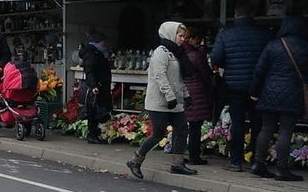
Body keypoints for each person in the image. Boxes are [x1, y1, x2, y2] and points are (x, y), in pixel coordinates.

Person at [127, 22, 197, 180]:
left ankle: (177, 164)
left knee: (182, 130)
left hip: (175, 102)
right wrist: (170, 96)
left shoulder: (177, 53)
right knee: (158, 134)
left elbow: (178, 78)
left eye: (184, 36)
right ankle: (135, 161)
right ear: (171, 34)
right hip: (159, 102)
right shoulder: (161, 52)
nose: (182, 39)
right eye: (180, 36)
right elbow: (160, 76)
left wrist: (185, 94)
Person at [210, 1, 273, 171]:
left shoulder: (226, 34)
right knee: (257, 124)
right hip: (258, 87)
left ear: (236, 15)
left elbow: (215, 58)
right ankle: (256, 160)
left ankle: (235, 161)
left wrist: (229, 64)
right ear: (253, 15)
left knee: (237, 123)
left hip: (234, 85)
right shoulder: (264, 33)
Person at [248, 15, 308, 181]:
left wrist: (254, 92)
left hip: (269, 93)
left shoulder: (273, 45)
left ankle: (258, 163)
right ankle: (282, 169)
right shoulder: (305, 46)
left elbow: (259, 70)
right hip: (292, 95)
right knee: (285, 131)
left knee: (266, 128)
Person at [182, 27, 214, 164]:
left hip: (184, 92)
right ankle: (194, 156)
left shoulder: (180, 53)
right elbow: (207, 74)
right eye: (198, 40)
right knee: (195, 127)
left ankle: (179, 154)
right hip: (196, 94)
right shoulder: (195, 55)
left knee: (182, 126)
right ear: (192, 39)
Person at [80, 31, 113, 144]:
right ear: (99, 41)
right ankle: (92, 134)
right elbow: (90, 70)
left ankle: (95, 133)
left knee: (96, 110)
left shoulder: (96, 52)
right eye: (104, 41)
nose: (105, 44)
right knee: (94, 110)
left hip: (100, 85)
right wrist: (93, 85)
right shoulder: (93, 53)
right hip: (97, 87)